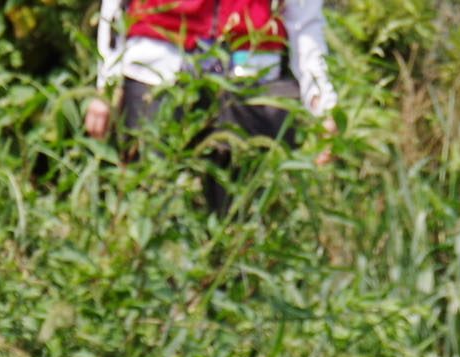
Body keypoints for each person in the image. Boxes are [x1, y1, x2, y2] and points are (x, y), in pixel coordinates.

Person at [83, 0, 338, 210]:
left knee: (243, 217)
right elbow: (114, 6)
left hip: (250, 78)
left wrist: (321, 104)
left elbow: (305, 22)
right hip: (156, 69)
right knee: (149, 201)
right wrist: (106, 83)